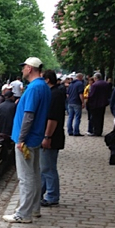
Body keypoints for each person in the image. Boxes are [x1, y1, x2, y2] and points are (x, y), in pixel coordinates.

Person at [3, 57, 51, 223]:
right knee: (35, 174)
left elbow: (28, 115)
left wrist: (21, 139)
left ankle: (23, 214)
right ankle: (34, 208)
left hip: (27, 139)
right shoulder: (44, 86)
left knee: (26, 177)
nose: (22, 70)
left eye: (24, 67)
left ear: (29, 68)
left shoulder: (33, 88)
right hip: (35, 137)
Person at [40, 70, 66, 207]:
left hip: (52, 137)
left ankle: (52, 195)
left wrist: (47, 136)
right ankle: (41, 192)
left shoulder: (54, 95)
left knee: (48, 167)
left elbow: (52, 118)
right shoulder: (54, 93)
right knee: (44, 167)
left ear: (47, 80)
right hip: (51, 135)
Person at [87, 72, 111, 137]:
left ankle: (96, 131)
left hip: (95, 104)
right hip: (103, 103)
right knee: (101, 118)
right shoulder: (106, 84)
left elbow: (91, 95)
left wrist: (89, 102)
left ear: (95, 78)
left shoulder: (94, 85)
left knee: (95, 118)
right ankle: (100, 130)